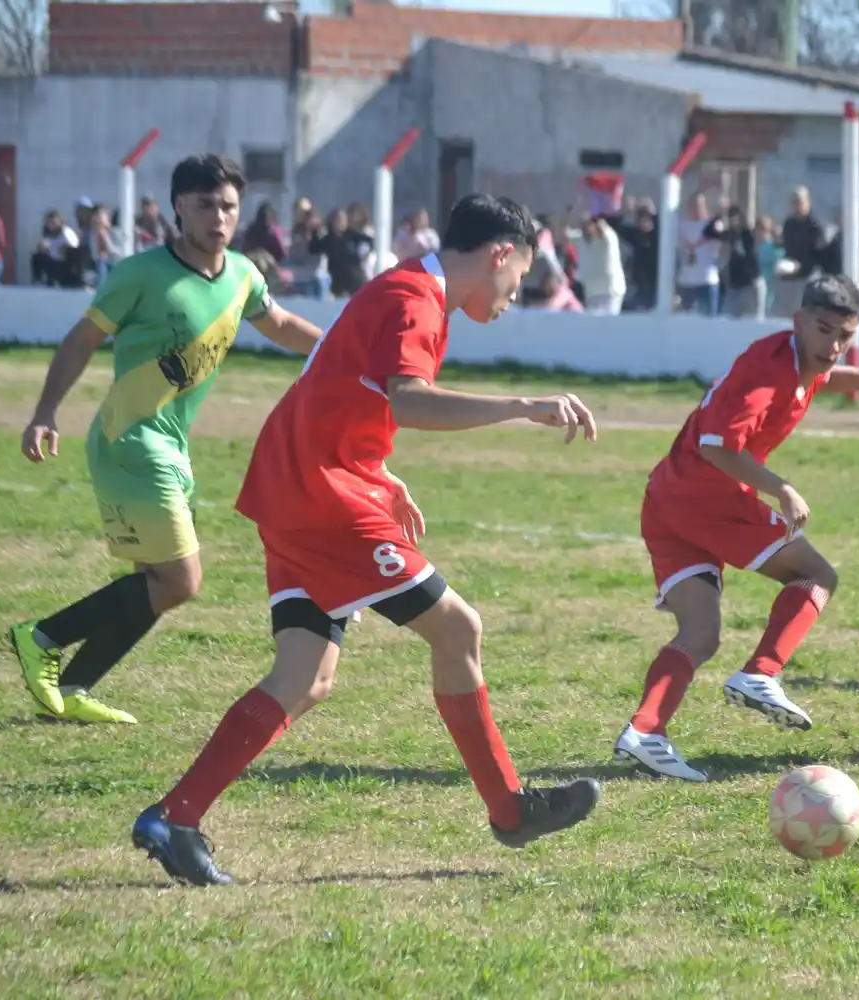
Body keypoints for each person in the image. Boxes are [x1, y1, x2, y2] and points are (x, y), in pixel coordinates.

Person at [133, 194, 603, 886]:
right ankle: (510, 810)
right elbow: (407, 399)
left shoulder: (404, 288)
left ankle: (175, 817)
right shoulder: (417, 300)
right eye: (519, 277)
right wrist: (522, 405)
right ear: (501, 253)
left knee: (306, 677)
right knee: (458, 629)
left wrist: (379, 473)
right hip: (322, 496)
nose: (515, 294)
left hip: (297, 486)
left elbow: (335, 388)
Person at [10, 155, 322, 726]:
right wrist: (46, 410)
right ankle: (43, 637)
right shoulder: (139, 273)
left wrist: (344, 349)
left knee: (150, 582)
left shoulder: (243, 275)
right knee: (180, 581)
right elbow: (81, 341)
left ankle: (74, 688)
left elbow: (279, 325)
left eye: (228, 206)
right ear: (179, 206)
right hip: (129, 441)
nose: (218, 218)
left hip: (174, 446)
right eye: (205, 205)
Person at [613, 274, 859, 781]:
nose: (833, 347)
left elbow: (826, 379)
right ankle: (761, 672)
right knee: (817, 575)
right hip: (710, 498)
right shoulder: (766, 372)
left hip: (666, 498)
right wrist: (782, 488)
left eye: (845, 336)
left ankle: (645, 732)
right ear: (799, 321)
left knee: (700, 633)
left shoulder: (797, 360)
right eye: (824, 331)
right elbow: (716, 447)